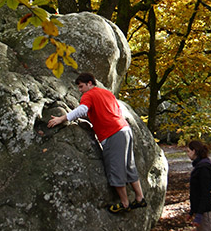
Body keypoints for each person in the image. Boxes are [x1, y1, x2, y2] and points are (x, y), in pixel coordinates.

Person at [47, 72, 147, 214]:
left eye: (81, 86)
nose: (80, 90)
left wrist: (62, 118)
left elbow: (83, 109)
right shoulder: (107, 93)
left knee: (116, 168)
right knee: (128, 165)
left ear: (90, 83)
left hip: (113, 133)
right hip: (125, 129)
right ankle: (139, 197)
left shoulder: (89, 95)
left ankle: (125, 204)